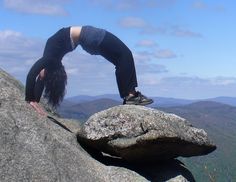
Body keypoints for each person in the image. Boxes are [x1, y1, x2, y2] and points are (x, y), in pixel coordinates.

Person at [25, 25, 153, 115]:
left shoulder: (49, 63)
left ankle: (129, 96)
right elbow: (32, 73)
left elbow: (39, 76)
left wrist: (34, 100)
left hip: (87, 40)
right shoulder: (51, 60)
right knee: (125, 54)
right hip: (88, 35)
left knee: (121, 60)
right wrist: (30, 99)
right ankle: (130, 95)